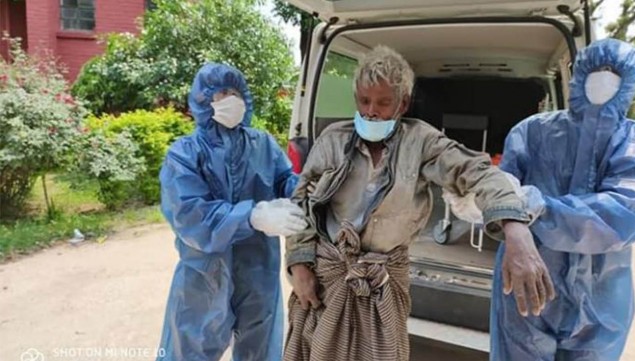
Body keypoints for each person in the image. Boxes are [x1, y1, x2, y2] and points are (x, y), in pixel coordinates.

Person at [283, 45, 555, 361]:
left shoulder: (421, 141)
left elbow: (476, 171)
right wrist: (299, 265)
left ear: (403, 103)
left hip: (384, 280)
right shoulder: (333, 139)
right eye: (364, 100)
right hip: (327, 276)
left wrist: (515, 226)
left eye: (384, 103)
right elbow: (300, 200)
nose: (371, 111)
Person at [492, 38, 635, 361]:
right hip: (525, 281)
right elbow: (499, 189)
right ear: (578, 74)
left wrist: (534, 208)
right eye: (595, 71)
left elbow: (625, 215)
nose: (603, 81)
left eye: (613, 73)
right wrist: (509, 219)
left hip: (601, 297)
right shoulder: (531, 132)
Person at [156, 63, 307, 361]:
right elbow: (190, 216)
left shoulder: (260, 143)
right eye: (223, 92)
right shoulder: (184, 154)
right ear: (203, 99)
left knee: (260, 349)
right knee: (190, 350)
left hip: (258, 274)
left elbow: (285, 182)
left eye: (237, 92)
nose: (232, 99)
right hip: (204, 278)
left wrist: (311, 187)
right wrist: (254, 216)